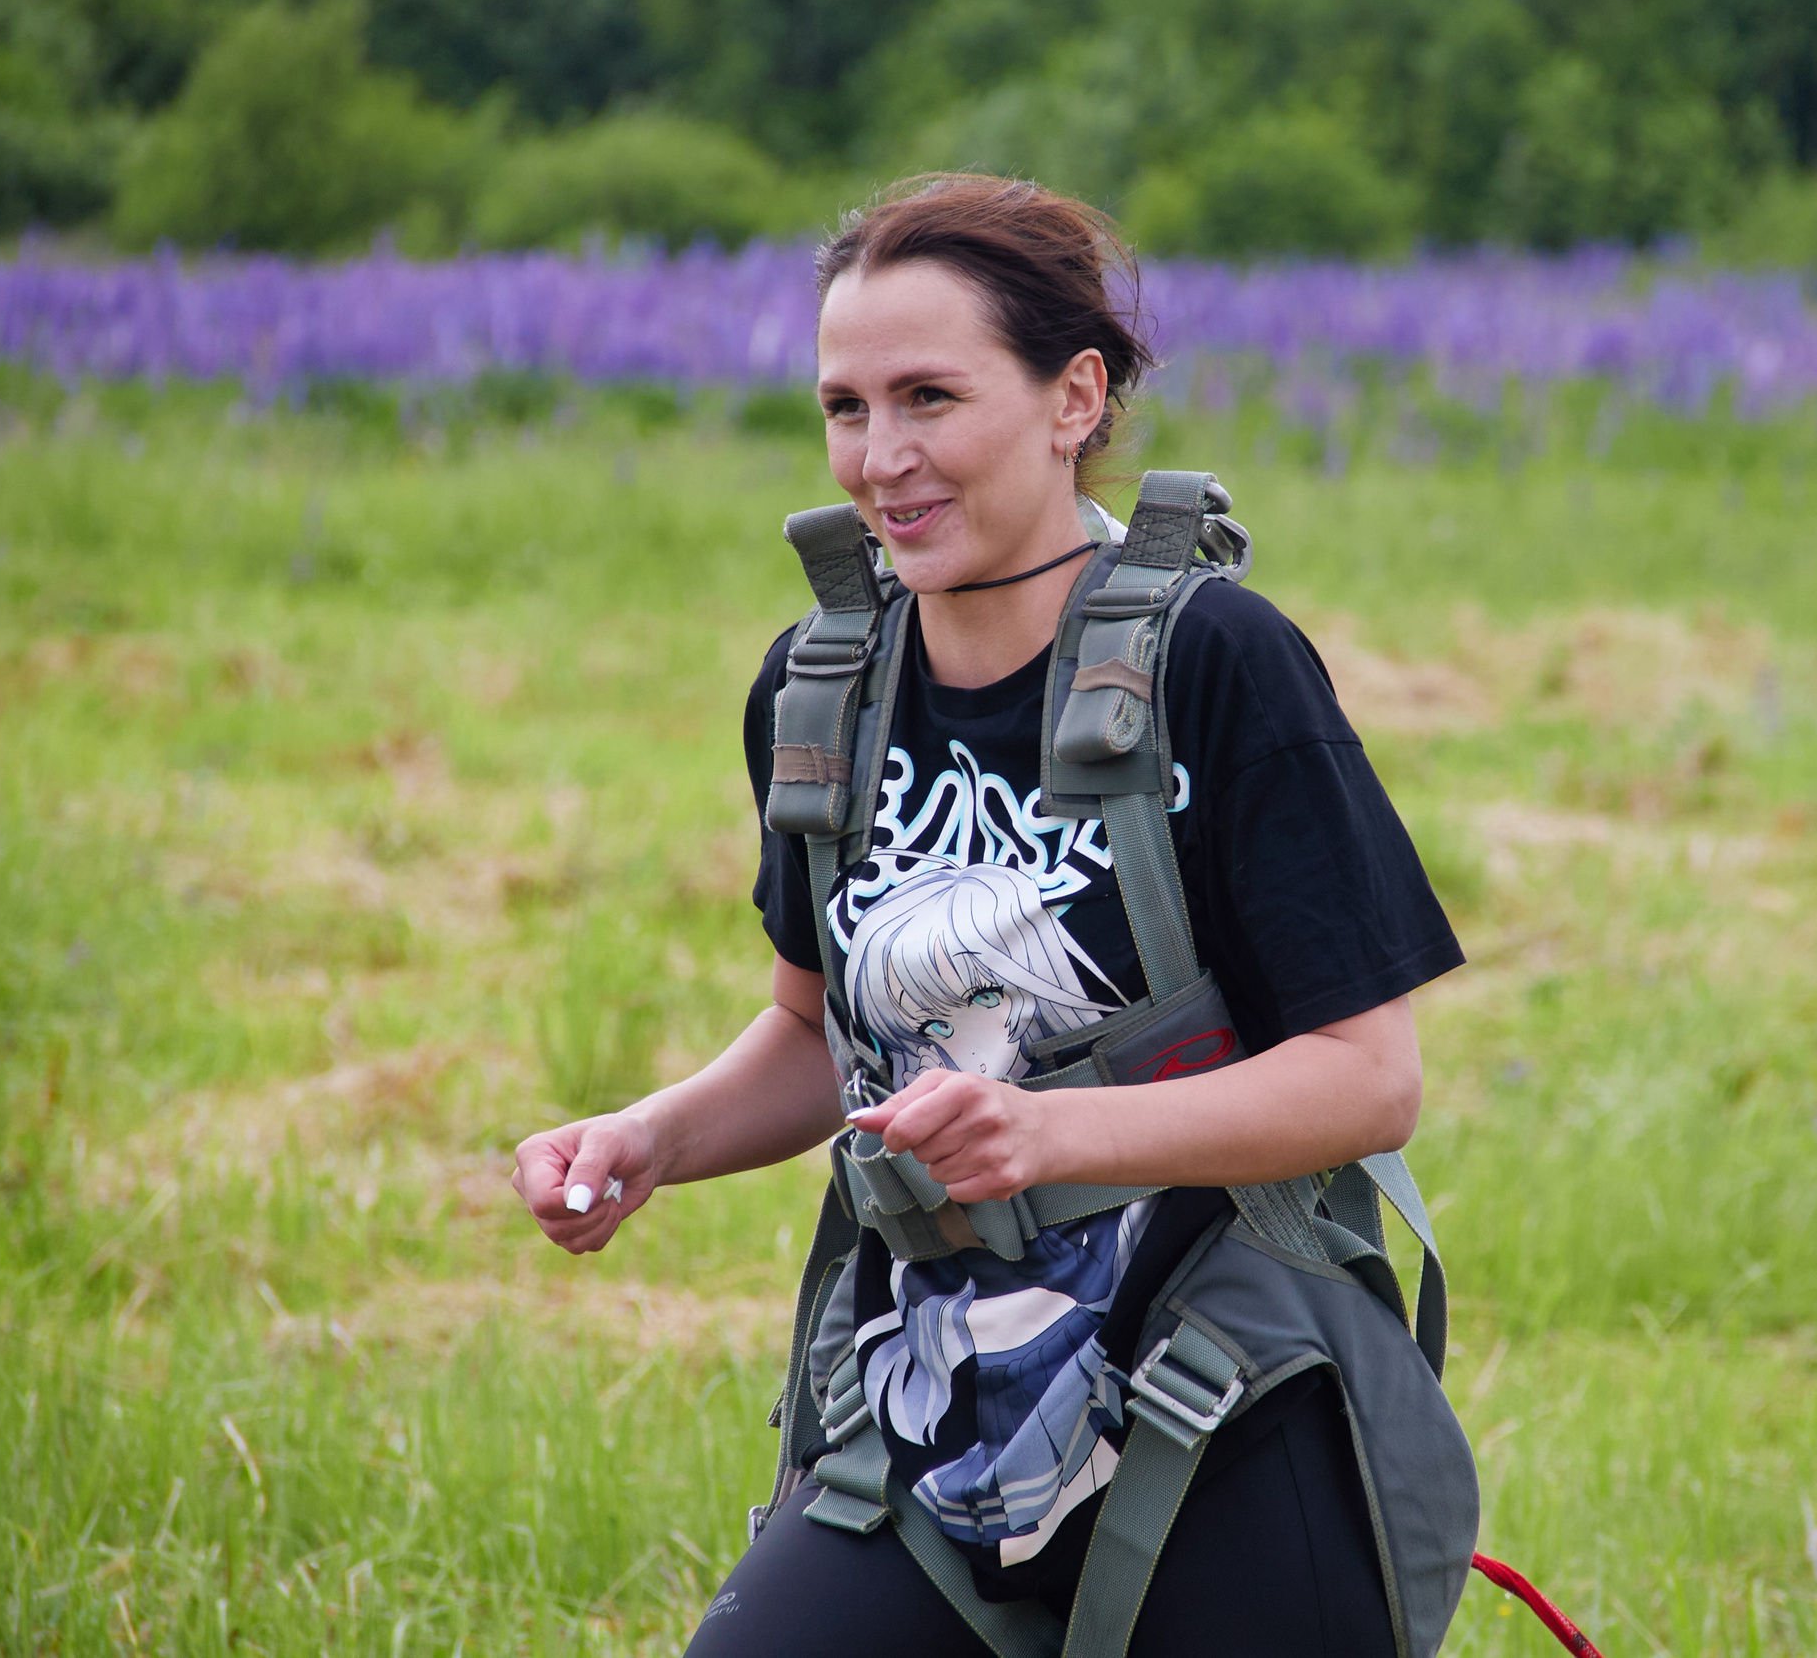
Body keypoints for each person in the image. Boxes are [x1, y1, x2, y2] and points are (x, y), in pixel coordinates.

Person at [512, 174, 1469, 1656]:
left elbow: (1367, 1075)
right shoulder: (819, 688)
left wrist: (1054, 1135)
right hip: (928, 1418)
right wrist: (652, 1139)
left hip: (1232, 1399)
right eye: (845, 406)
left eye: (930, 398)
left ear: (1072, 395)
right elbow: (815, 1034)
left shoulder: (1220, 664)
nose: (881, 459)